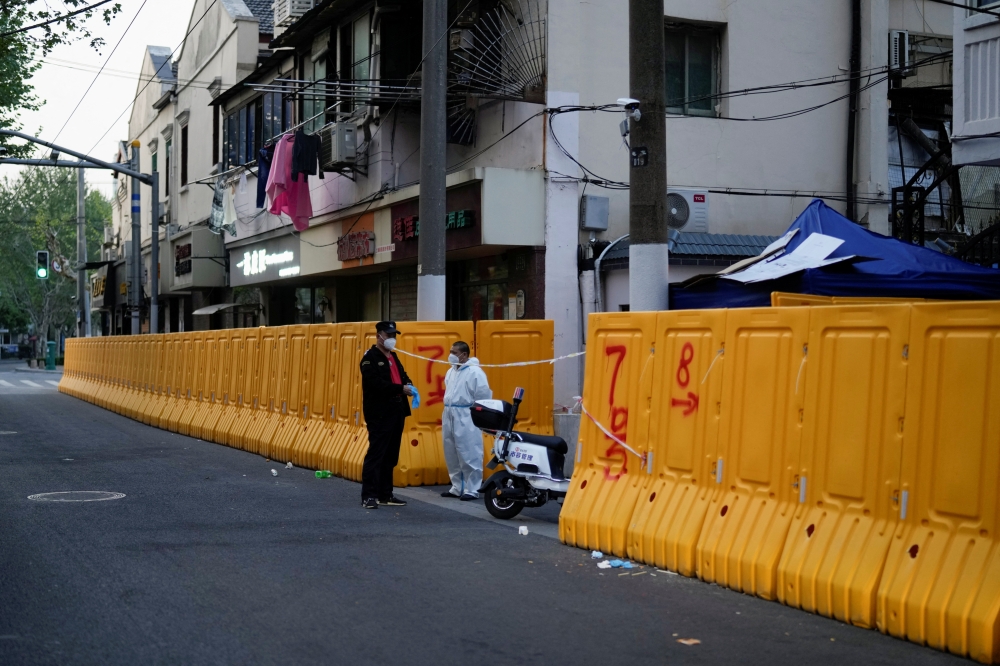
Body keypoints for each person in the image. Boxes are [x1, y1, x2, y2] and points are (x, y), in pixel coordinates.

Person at [359, 321, 414, 509]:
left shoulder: (394, 357)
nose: (392, 339)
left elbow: (403, 375)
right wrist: (401, 388)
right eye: (388, 335)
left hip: (397, 410)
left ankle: (385, 494)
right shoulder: (370, 358)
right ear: (378, 336)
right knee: (376, 454)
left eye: (393, 335)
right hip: (380, 413)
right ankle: (369, 495)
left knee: (391, 455)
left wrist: (409, 385)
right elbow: (376, 384)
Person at [441, 341, 492, 501]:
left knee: (469, 450)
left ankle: (473, 488)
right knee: (451, 450)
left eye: (454, 352)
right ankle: (457, 486)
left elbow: (483, 395)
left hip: (466, 413)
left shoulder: (475, 372)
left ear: (464, 355)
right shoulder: (451, 371)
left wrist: (479, 415)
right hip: (449, 412)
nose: (451, 355)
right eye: (450, 351)